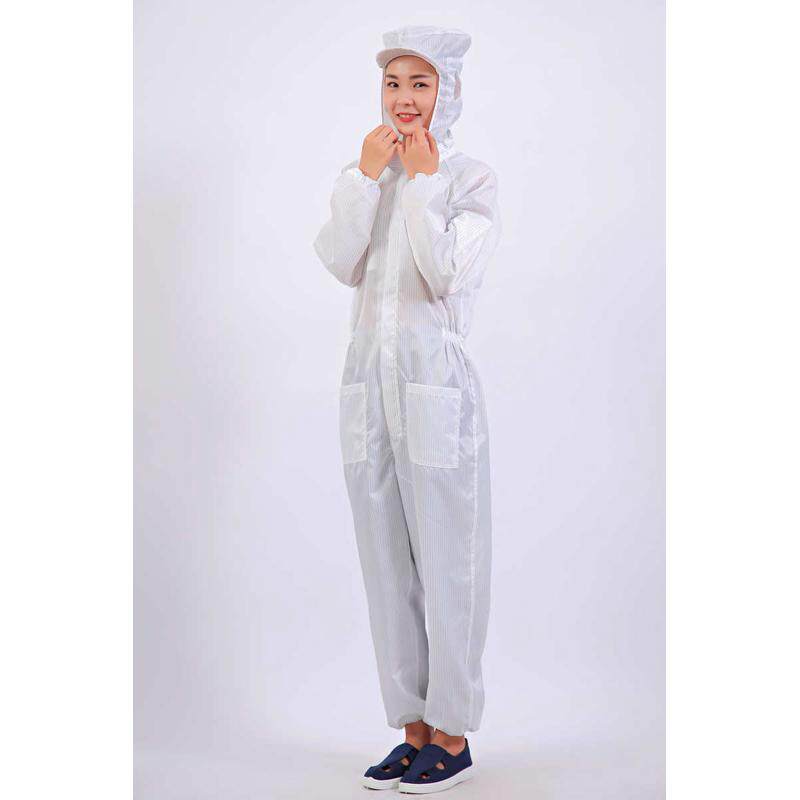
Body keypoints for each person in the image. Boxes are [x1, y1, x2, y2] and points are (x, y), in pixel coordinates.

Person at [313, 24, 502, 794]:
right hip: (370, 383)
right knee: (384, 561)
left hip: (434, 387)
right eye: (393, 84)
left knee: (450, 560)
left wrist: (421, 185)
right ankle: (412, 729)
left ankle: (453, 735)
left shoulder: (467, 180)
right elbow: (339, 260)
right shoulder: (369, 174)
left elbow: (449, 273)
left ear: (446, 92)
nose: (404, 98)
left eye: (420, 84)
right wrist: (368, 178)